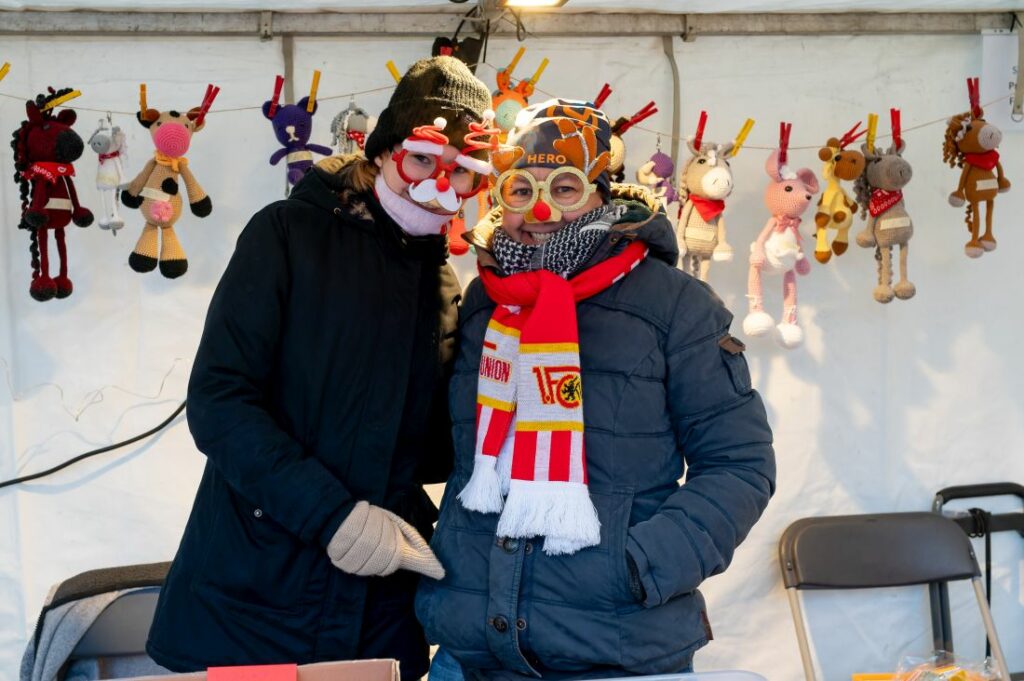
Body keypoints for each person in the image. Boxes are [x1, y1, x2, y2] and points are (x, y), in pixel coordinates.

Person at [146, 57, 493, 680]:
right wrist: (330, 515)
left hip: (377, 608)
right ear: (383, 152)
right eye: (421, 159)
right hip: (254, 596)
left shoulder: (443, 284)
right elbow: (221, 402)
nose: (436, 184)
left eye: (460, 171)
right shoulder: (286, 235)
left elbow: (429, 453)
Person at [415, 100, 777, 680]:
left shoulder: (676, 305)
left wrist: (638, 566)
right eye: (520, 189)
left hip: (615, 651)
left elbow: (739, 464)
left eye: (564, 188)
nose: (541, 210)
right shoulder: (485, 301)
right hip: (472, 650)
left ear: (602, 194)